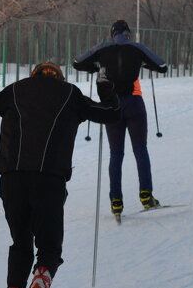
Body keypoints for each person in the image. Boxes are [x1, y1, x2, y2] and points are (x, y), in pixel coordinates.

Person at [0, 61, 119, 288]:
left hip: (11, 178)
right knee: (49, 246)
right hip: (49, 180)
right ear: (58, 77)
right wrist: (104, 86)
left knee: (20, 243)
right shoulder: (70, 94)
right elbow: (110, 112)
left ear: (33, 75)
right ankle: (41, 282)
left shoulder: (15, 90)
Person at [72, 19, 169, 217]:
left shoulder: (102, 47)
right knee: (140, 149)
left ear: (112, 33)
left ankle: (116, 200)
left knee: (116, 153)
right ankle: (146, 195)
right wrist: (145, 64)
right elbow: (163, 66)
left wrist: (95, 67)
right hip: (134, 103)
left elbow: (77, 63)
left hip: (111, 105)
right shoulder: (136, 47)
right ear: (127, 33)